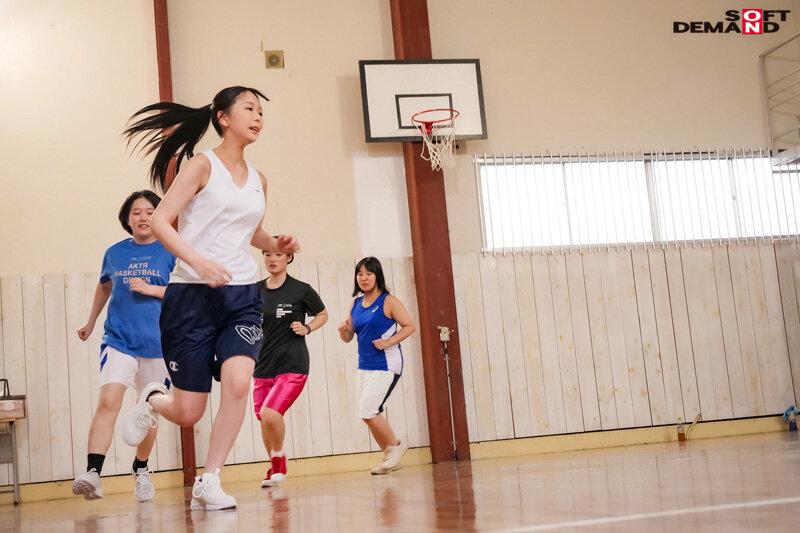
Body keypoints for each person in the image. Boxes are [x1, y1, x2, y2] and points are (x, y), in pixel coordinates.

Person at [117, 86, 299, 510]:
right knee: (189, 413)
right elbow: (162, 221)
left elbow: (252, 232)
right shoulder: (201, 165)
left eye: (261, 111)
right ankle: (152, 398)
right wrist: (199, 263)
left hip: (241, 297)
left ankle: (210, 478)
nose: (258, 117)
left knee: (238, 382)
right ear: (223, 117)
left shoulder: (259, 179)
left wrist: (276, 241)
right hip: (191, 298)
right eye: (249, 109)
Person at [72, 190, 175, 502]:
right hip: (119, 340)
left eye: (149, 212)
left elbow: (186, 295)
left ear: (159, 216)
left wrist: (151, 289)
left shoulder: (171, 250)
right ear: (127, 219)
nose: (143, 217)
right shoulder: (115, 253)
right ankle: (93, 473)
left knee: (150, 410)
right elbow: (104, 287)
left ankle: (141, 468)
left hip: (160, 345)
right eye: (136, 212)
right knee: (108, 400)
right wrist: (91, 321)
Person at [255, 248, 327, 487]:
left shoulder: (300, 289)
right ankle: (274, 465)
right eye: (267, 254)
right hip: (262, 365)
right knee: (264, 419)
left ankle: (279, 464)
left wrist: (307, 328)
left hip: (292, 364)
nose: (272, 259)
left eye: (278, 255)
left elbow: (322, 314)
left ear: (288, 258)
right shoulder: (255, 290)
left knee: (271, 414)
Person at [337, 257, 415, 474]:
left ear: (377, 276)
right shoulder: (355, 304)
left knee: (368, 410)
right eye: (360, 274)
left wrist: (388, 342)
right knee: (366, 413)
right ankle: (391, 453)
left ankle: (395, 449)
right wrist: (343, 332)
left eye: (369, 274)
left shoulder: (388, 301)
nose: (364, 278)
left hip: (386, 365)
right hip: (364, 366)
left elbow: (410, 326)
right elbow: (348, 337)